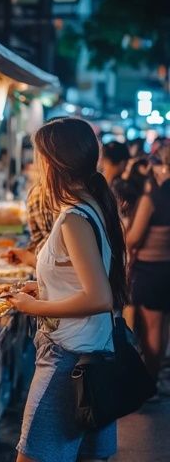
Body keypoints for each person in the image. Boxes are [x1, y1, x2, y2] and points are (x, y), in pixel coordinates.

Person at [9, 118, 127, 462]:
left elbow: (98, 296)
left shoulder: (75, 217)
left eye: (39, 158)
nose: (36, 167)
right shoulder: (89, 205)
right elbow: (83, 279)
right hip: (89, 354)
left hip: (69, 360)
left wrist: (33, 308)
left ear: (54, 164)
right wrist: (44, 288)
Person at [126, 145, 170, 383]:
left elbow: (133, 238)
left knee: (150, 329)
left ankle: (149, 382)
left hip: (150, 271)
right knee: (162, 327)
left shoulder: (153, 197)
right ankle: (156, 377)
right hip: (166, 269)